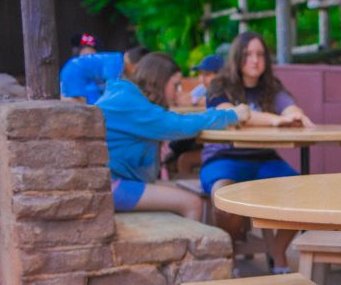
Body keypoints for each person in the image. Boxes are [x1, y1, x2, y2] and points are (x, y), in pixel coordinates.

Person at [201, 31, 314, 274]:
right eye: (248, 54)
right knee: (223, 200)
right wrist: (275, 120)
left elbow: (288, 106)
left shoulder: (271, 86)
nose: (255, 60)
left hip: (263, 159)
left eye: (260, 54)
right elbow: (231, 115)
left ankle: (278, 249)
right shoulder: (218, 86)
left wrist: (295, 114)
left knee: (304, 192)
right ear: (237, 57)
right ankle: (229, 251)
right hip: (224, 158)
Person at [96, 52, 249, 220]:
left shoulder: (125, 96)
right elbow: (182, 125)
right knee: (192, 203)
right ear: (160, 82)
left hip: (107, 182)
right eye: (175, 85)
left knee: (182, 191)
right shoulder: (132, 105)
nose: (178, 93)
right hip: (110, 187)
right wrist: (231, 115)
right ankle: (191, 247)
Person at [60, 46, 149, 105]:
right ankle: (58, 99)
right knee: (79, 102)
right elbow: (112, 90)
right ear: (133, 66)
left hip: (74, 68)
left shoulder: (117, 59)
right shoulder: (116, 65)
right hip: (75, 71)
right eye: (136, 71)